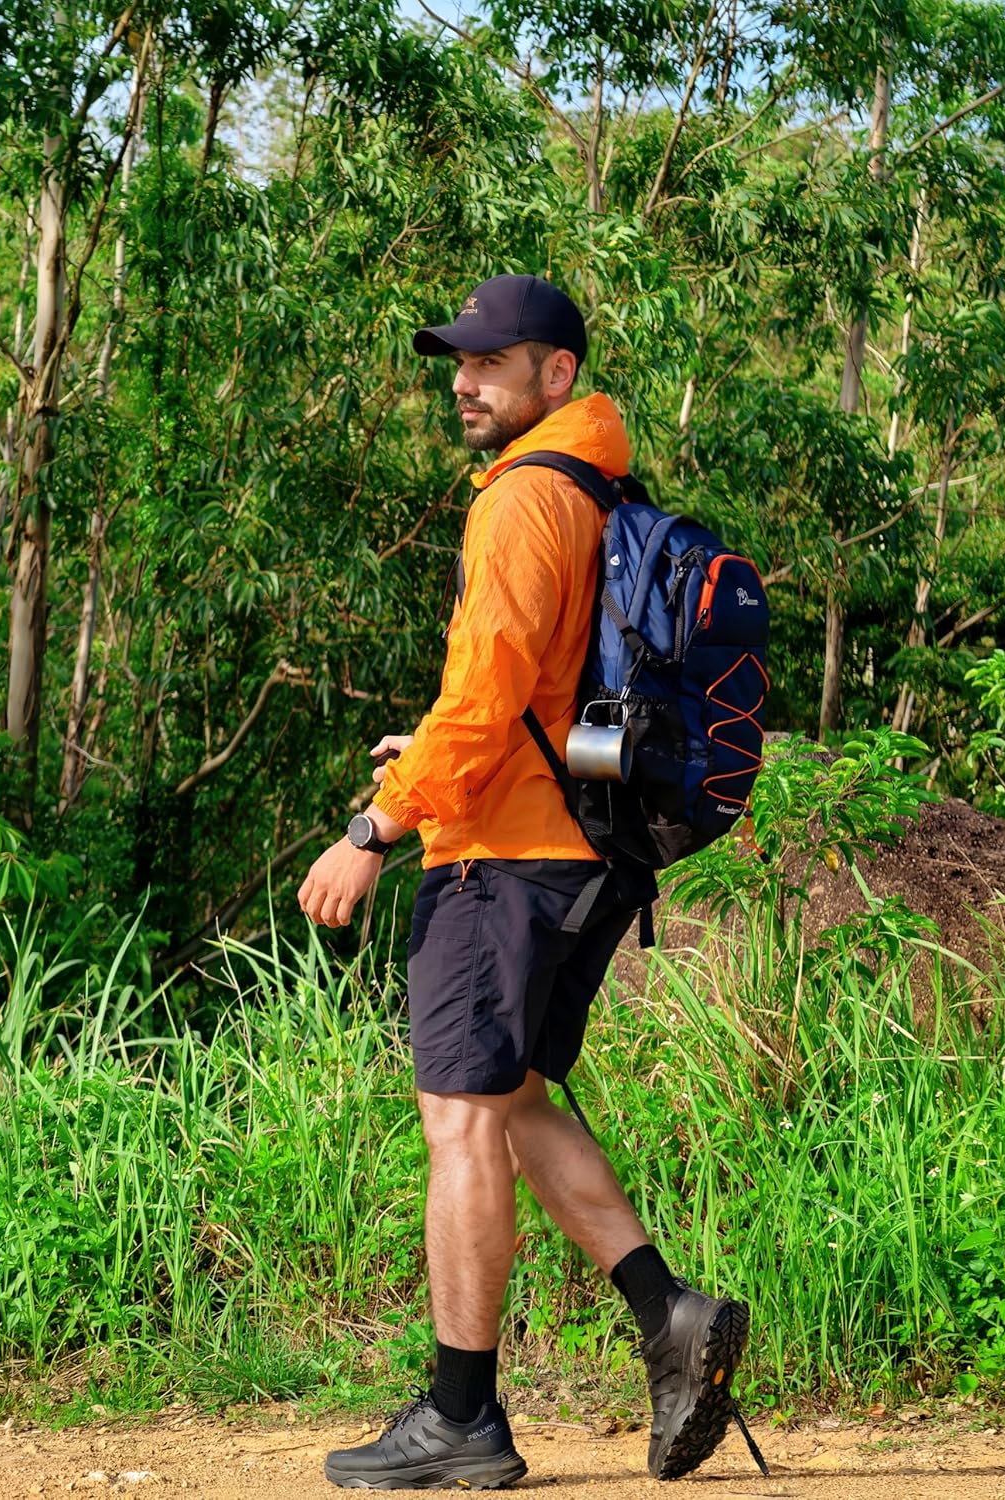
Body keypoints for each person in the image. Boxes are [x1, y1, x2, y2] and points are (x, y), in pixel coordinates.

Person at [298, 274, 749, 1490]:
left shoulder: (521, 503)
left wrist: (375, 824)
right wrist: (438, 744)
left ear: (556, 376)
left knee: (458, 1120)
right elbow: (523, 693)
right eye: (459, 361)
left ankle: (462, 1419)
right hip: (580, 850)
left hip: (501, 860)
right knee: (516, 1095)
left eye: (492, 362)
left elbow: (494, 695)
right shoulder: (597, 488)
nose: (464, 380)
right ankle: (674, 1318)